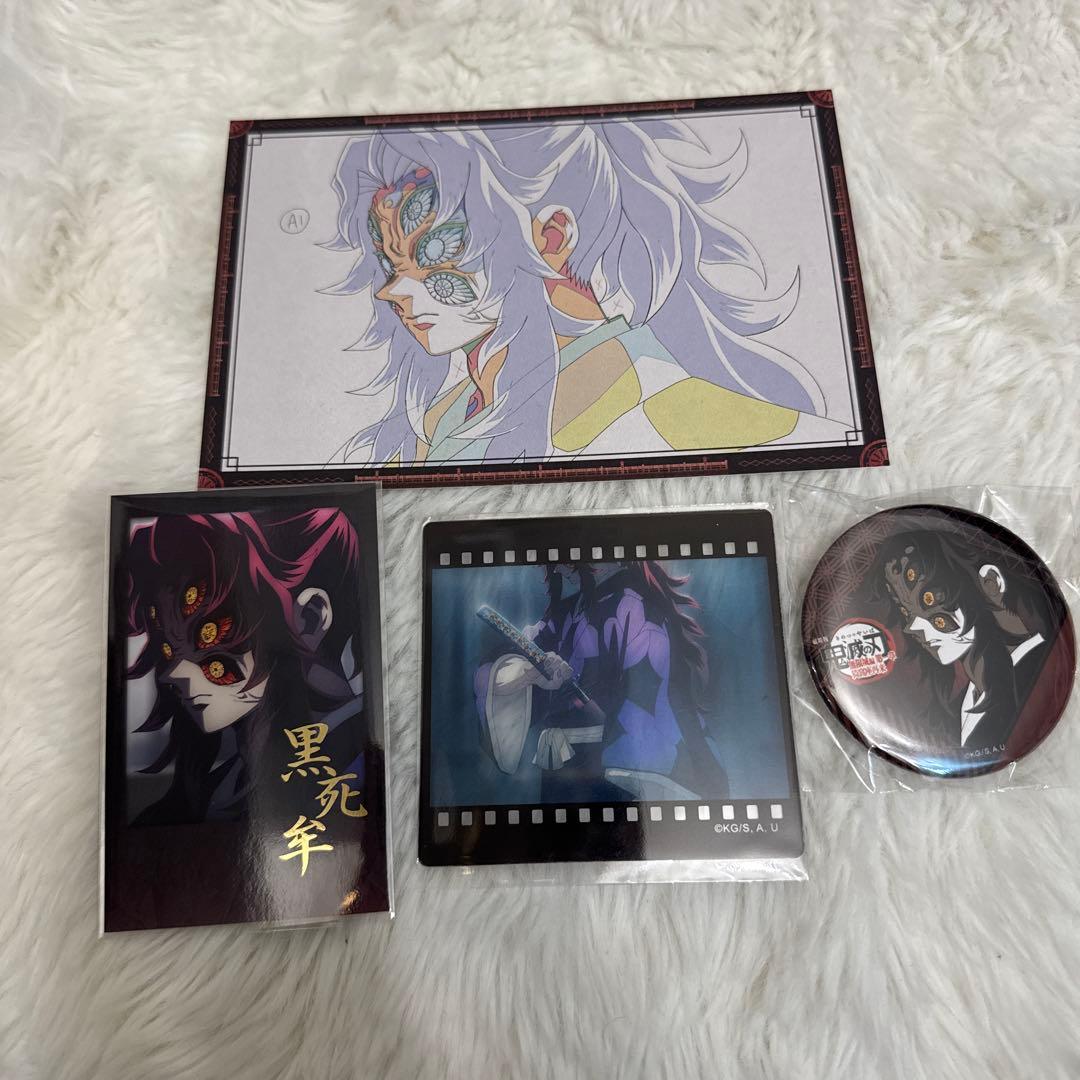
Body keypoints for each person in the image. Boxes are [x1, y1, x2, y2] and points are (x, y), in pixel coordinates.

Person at [324, 119, 849, 467]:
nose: (393, 291)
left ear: (551, 239)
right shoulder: (442, 420)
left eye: (434, 252)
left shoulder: (663, 403)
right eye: (392, 263)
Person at [124, 507, 369, 826]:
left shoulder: (355, 773)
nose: (174, 673)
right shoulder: (228, 783)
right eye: (169, 647)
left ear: (310, 618)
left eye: (208, 634)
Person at [474, 561, 728, 802]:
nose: (558, 566)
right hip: (560, 766)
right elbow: (493, 675)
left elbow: (650, 708)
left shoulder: (634, 605)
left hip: (616, 771)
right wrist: (530, 674)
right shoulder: (564, 614)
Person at [874, 528, 1063, 759]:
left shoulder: (1042, 672)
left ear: (990, 583)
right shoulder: (964, 705)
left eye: (930, 600)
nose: (911, 628)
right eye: (905, 611)